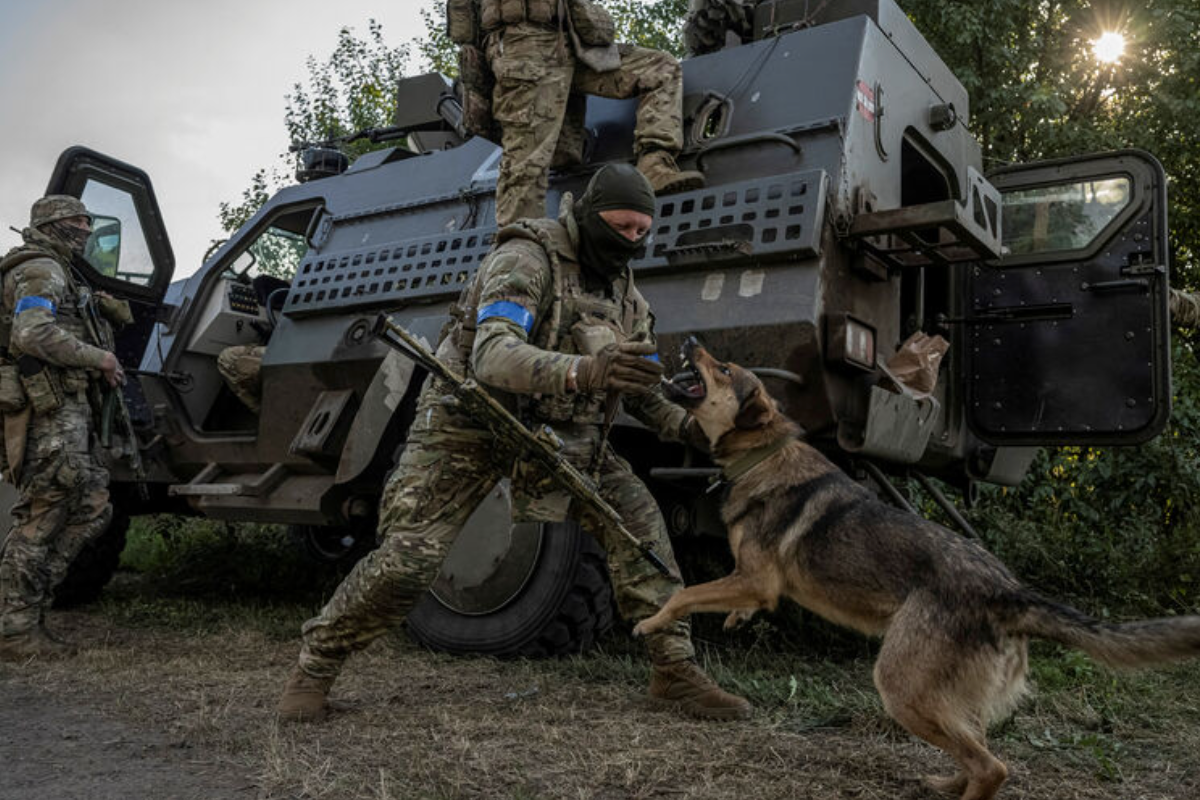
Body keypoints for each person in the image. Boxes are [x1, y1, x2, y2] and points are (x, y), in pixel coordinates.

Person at [276, 164, 749, 722]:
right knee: (408, 562)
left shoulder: (627, 300)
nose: (630, 243)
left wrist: (694, 428)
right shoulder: (526, 260)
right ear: (590, 216)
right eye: (620, 227)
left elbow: (642, 393)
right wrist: (588, 371)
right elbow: (492, 356)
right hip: (469, 423)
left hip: (561, 433)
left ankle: (674, 671)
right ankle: (315, 667)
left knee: (642, 533)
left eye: (642, 233)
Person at [0, 195, 127, 660]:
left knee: (93, 505)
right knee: (45, 512)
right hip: (49, 411)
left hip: (69, 407)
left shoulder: (60, 271)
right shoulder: (41, 269)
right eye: (77, 219)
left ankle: (26, 609)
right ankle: (14, 628)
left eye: (88, 219)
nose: (86, 228)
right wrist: (102, 357)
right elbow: (31, 333)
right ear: (53, 224)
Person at [474, 0, 705, 225]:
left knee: (659, 68)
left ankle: (654, 166)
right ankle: (518, 240)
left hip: (571, 40)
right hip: (523, 45)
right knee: (526, 161)